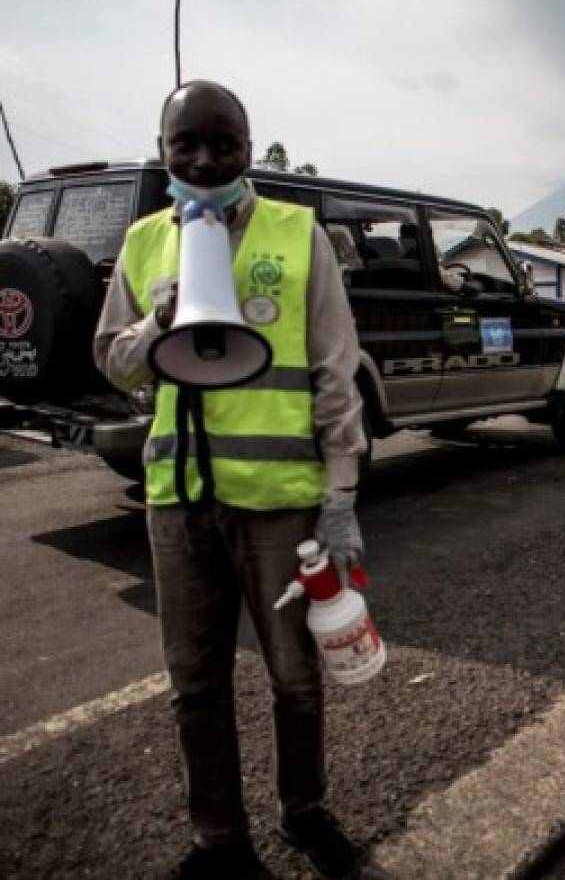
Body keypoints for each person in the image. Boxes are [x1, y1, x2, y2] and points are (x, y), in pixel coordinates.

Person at [94, 81, 369, 880]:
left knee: (295, 678)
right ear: (163, 151)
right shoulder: (146, 241)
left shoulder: (298, 233)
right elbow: (111, 362)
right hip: (177, 504)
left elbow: (333, 369)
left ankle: (304, 811)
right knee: (194, 687)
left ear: (251, 149)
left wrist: (341, 492)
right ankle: (218, 841)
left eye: (225, 143)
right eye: (188, 144)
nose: (207, 160)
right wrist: (155, 324)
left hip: (280, 507)